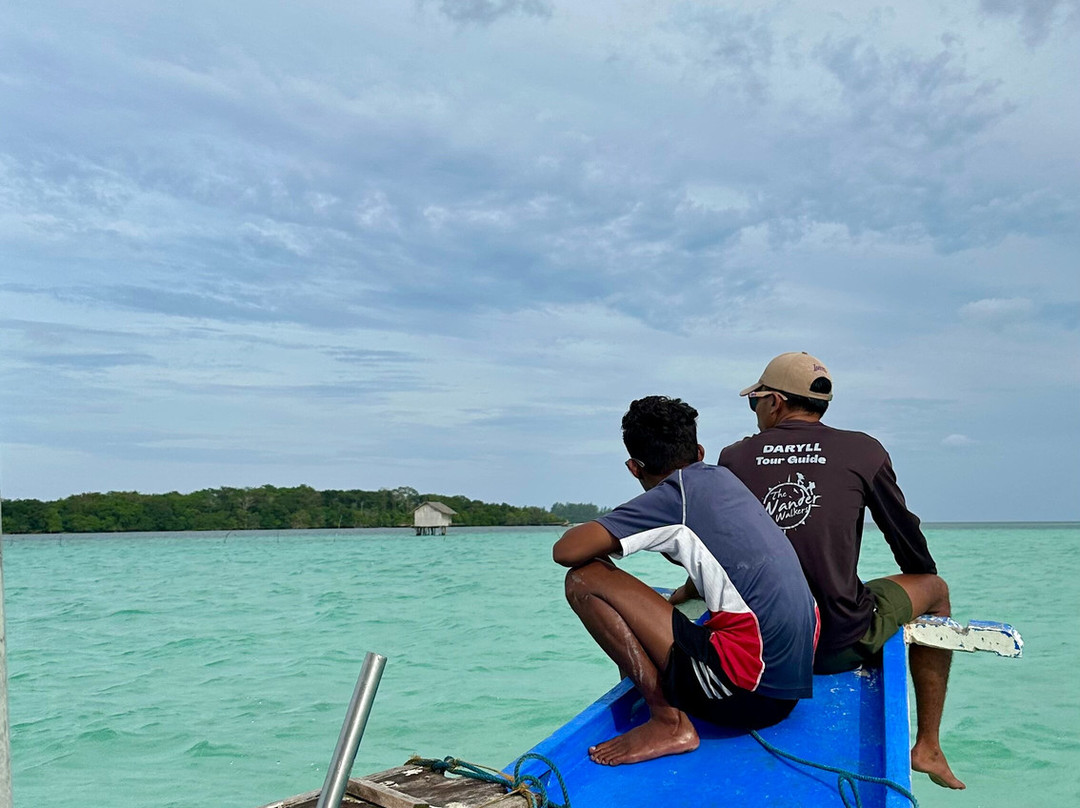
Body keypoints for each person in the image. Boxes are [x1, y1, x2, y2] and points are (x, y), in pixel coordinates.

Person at [710, 351, 964, 790]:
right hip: (836, 644)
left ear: (774, 402)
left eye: (754, 403)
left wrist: (687, 588)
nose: (754, 413)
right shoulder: (862, 450)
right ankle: (928, 747)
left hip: (762, 648)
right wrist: (917, 578)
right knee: (935, 589)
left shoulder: (734, 458)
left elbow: (716, 549)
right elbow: (904, 536)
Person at [552, 395, 818, 767]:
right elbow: (728, 558)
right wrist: (686, 592)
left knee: (584, 578)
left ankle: (668, 720)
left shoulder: (673, 495)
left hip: (747, 695)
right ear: (699, 451)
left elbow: (567, 550)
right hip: (789, 685)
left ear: (633, 468)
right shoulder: (724, 481)